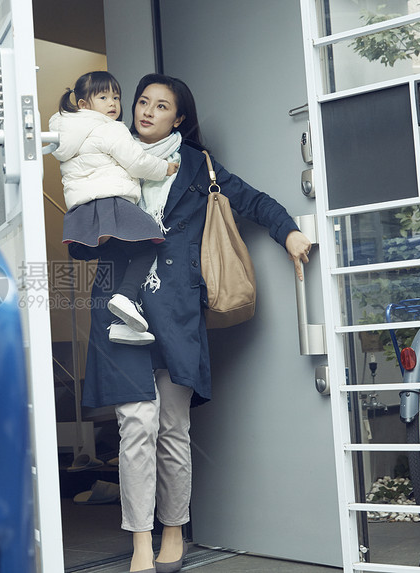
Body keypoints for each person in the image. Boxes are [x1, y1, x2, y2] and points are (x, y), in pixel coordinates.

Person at [77, 73, 313, 573]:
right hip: (118, 303)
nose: (146, 111)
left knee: (171, 426)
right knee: (135, 425)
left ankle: (172, 531)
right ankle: (140, 539)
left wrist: (289, 232)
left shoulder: (197, 165)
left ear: (178, 118)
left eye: (161, 106)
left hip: (177, 308)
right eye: (142, 101)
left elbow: (252, 201)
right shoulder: (108, 149)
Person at [49, 71, 178, 345]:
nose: (113, 104)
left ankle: (121, 322)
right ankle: (125, 297)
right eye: (104, 97)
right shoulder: (110, 128)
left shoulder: (66, 134)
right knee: (149, 243)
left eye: (116, 97)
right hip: (110, 202)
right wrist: (164, 168)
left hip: (83, 210)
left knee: (122, 253)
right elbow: (137, 162)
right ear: (84, 104)